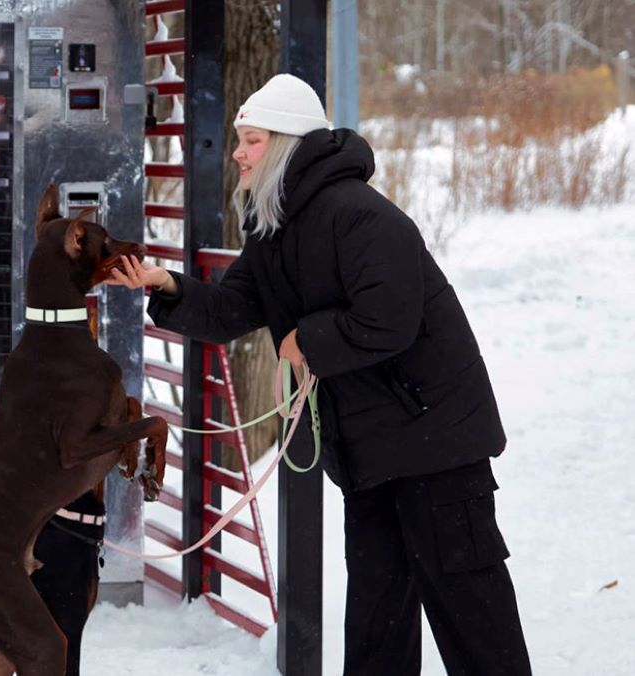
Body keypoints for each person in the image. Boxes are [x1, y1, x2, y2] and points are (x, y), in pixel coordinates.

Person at [108, 73, 531, 675]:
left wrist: (308, 338)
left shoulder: (361, 215)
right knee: (376, 622)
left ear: (284, 144)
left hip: (436, 446)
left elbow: (389, 320)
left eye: (250, 141)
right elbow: (233, 309)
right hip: (369, 454)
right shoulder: (274, 225)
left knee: (473, 618)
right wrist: (166, 285)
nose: (237, 154)